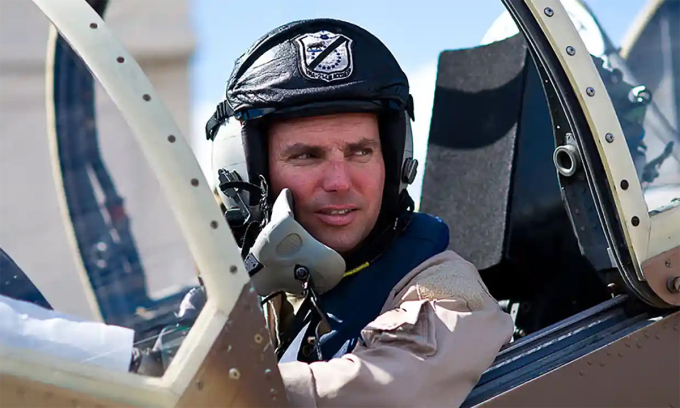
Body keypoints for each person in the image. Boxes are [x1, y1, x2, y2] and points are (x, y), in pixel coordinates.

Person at [203, 18, 514, 407]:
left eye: (360, 152)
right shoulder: (267, 294)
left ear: (393, 163)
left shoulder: (448, 294)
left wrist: (219, 388)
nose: (339, 181)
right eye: (306, 156)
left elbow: (382, 389)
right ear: (252, 176)